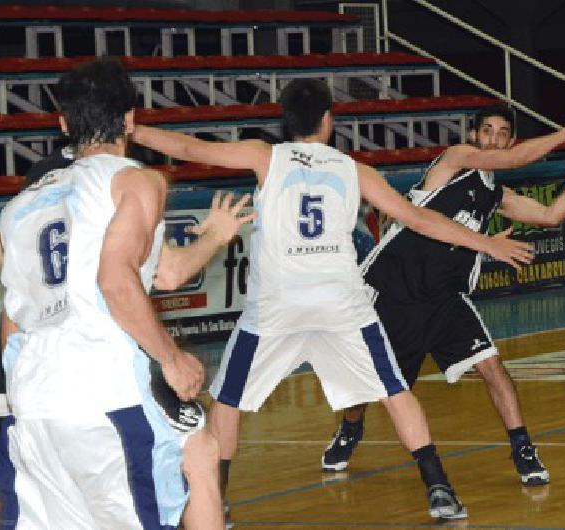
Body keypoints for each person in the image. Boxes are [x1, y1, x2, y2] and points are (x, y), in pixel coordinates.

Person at [131, 78, 538, 521]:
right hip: (341, 303)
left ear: (286, 121)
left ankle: (219, 502)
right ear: (328, 120)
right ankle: (439, 488)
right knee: (395, 391)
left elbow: (190, 149)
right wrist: (486, 243)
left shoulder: (262, 155)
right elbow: (419, 219)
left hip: (277, 304)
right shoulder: (354, 169)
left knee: (230, 402)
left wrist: (132, 131)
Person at [0, 57, 253, 529]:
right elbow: (116, 279)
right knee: (189, 464)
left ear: (64, 122)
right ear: (131, 119)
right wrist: (171, 358)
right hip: (104, 393)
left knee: (200, 447)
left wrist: (213, 237)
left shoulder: (21, 203)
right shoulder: (137, 181)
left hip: (33, 398)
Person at [320, 103, 565, 486]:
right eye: (487, 131)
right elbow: (516, 160)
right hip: (394, 292)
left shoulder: (496, 196)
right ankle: (351, 428)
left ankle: (523, 448)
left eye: (502, 134)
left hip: (446, 299)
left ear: (510, 139)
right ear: (473, 136)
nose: (493, 139)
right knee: (366, 384)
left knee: (492, 366)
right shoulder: (455, 161)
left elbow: (550, 216)